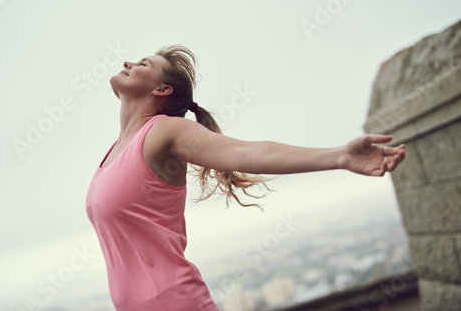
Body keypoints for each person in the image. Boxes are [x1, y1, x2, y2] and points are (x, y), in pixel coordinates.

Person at [85, 45, 405, 311]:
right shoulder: (113, 152)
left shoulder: (163, 131)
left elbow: (249, 153)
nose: (127, 62)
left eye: (143, 63)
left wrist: (340, 156)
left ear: (161, 89)